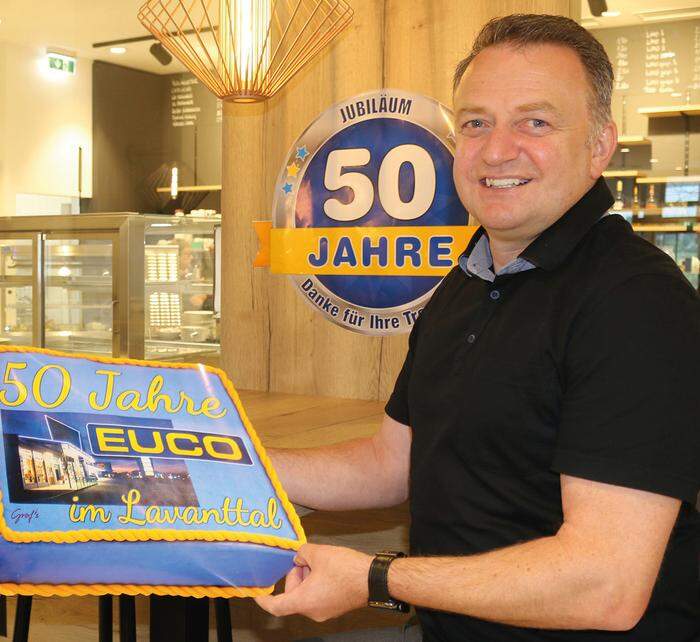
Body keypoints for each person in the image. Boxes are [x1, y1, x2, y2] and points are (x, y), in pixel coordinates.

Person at [255, 14, 700, 641]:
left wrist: (376, 579)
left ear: (599, 146)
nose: (496, 149)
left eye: (535, 122)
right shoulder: (468, 281)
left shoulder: (635, 303)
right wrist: (239, 465)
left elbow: (606, 584)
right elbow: (393, 461)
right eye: (476, 123)